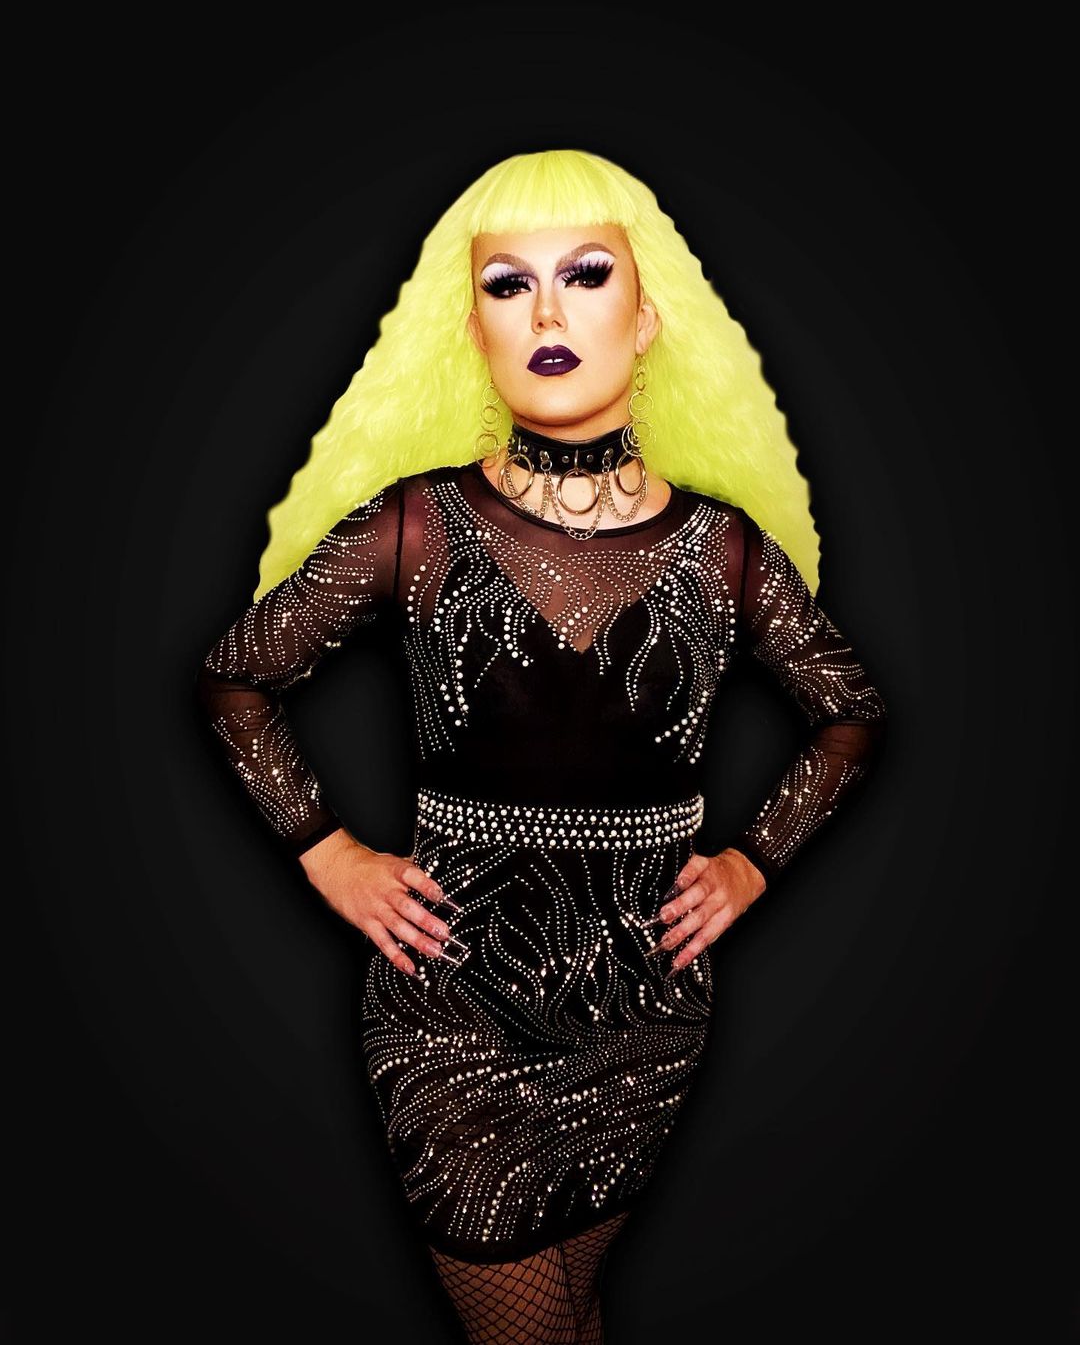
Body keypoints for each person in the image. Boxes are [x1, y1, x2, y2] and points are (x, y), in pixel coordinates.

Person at [194, 148, 888, 1344]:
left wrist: (751, 864)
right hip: (451, 1001)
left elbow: (851, 712)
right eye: (509, 285)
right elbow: (234, 679)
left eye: (586, 274)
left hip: (648, 1008)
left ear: (648, 318)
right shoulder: (417, 523)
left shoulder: (724, 548)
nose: (548, 313)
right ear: (474, 329)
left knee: (574, 1316)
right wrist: (328, 854)